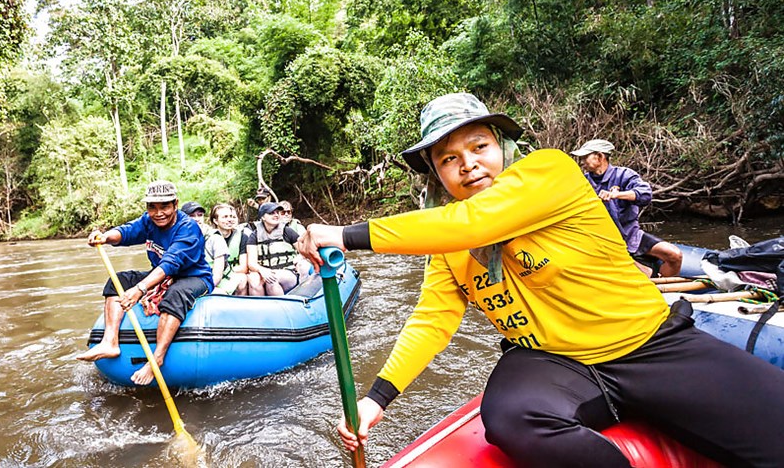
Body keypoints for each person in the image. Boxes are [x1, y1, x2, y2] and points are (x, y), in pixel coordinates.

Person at [296, 93, 784, 467]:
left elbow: (476, 224)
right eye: (448, 158)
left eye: (479, 145)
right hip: (552, 363)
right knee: (511, 417)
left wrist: (343, 233)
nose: (467, 163)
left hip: (647, 344)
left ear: (504, 147)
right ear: (437, 176)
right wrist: (376, 398)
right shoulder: (442, 240)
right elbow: (432, 320)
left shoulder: (549, 172)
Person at [77, 180, 213, 386]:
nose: (159, 213)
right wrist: (104, 237)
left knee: (175, 294)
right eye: (153, 207)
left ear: (175, 204)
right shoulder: (149, 221)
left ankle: (156, 358)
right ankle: (110, 342)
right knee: (120, 280)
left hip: (194, 277)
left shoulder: (188, 228)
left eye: (165, 207)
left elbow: (170, 263)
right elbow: (126, 232)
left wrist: (140, 289)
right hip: (162, 274)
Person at [571, 139, 683, 277]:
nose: (581, 162)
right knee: (642, 271)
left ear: (599, 156)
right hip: (604, 243)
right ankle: (647, 275)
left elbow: (645, 194)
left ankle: (664, 286)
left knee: (674, 255)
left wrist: (617, 195)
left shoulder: (624, 175)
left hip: (631, 235)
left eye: (584, 158)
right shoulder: (583, 182)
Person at [245, 201, 301, 296]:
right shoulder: (254, 236)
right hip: (265, 271)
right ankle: (259, 309)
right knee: (253, 279)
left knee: (271, 279)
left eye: (277, 212)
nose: (276, 215)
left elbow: (304, 250)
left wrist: (300, 258)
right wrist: (262, 270)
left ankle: (281, 309)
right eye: (271, 213)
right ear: (262, 217)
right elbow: (251, 263)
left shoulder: (287, 231)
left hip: (287, 272)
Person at [181, 201, 230, 289]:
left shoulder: (215, 238)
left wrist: (204, 290)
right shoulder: (179, 238)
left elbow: (217, 275)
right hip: (187, 282)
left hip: (212, 283)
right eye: (191, 216)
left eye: (200, 215)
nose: (197, 219)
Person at [208, 203, 250, 295]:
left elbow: (243, 267)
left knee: (243, 279)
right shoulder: (208, 238)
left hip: (231, 274)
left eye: (231, 216)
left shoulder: (242, 237)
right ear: (215, 220)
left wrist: (224, 272)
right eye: (225, 217)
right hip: (211, 276)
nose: (230, 219)